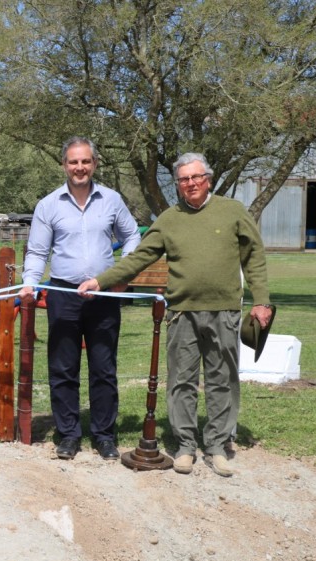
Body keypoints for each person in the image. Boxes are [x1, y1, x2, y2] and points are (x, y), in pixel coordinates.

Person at [78, 152, 272, 477]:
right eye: (184, 179)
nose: (191, 183)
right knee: (181, 381)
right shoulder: (169, 219)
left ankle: (217, 447)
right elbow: (139, 257)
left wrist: (262, 300)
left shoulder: (233, 211)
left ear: (207, 178)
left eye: (196, 177)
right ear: (178, 184)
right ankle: (185, 447)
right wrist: (102, 280)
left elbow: (254, 256)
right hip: (182, 314)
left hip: (224, 312)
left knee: (222, 380)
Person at [19, 136, 141, 461]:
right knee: (63, 368)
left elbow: (132, 236)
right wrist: (30, 283)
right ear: (64, 165)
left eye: (85, 161)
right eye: (73, 162)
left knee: (103, 368)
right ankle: (68, 434)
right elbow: (37, 251)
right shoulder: (48, 205)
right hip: (63, 295)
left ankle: (104, 436)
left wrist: (122, 275)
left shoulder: (112, 200)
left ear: (95, 164)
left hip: (103, 297)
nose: (79, 167)